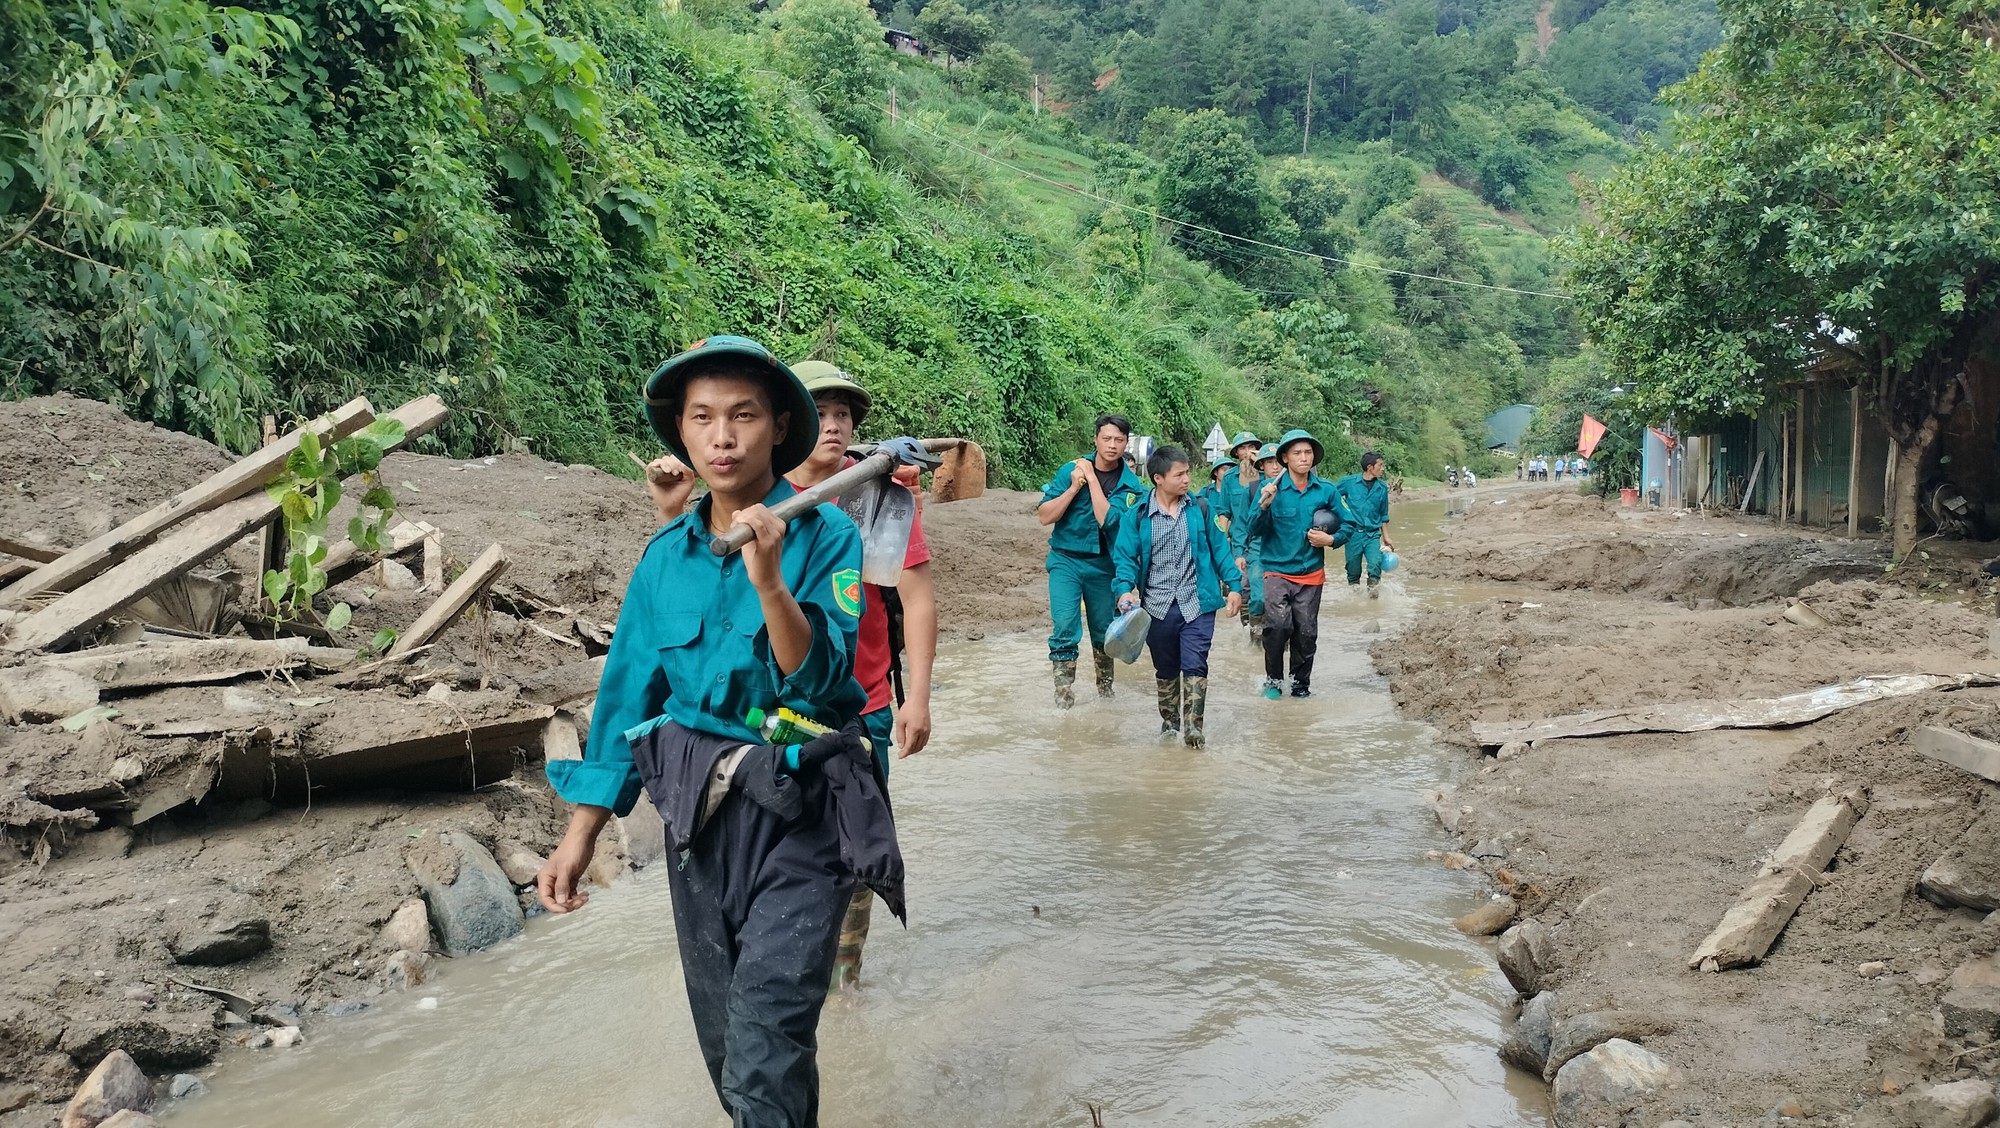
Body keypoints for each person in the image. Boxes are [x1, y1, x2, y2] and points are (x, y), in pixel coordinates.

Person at [538, 335, 899, 1128]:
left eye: (743, 415)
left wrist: (770, 582)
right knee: (727, 1048)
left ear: (778, 428)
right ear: (683, 433)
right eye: (702, 418)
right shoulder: (665, 556)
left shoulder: (827, 537)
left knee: (769, 1036)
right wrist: (581, 834)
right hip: (696, 817)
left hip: (804, 809)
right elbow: (628, 695)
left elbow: (824, 682)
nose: (723, 436)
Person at [785, 360, 936, 990]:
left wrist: (918, 698)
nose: (834, 424)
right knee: (780, 834)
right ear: (786, 420)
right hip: (775, 707)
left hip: (865, 702)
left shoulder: (882, 498)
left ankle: (845, 977)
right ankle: (788, 966)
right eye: (820, 412)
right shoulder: (759, 497)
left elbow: (918, 598)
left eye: (844, 413)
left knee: (858, 841)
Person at [1113, 446, 1243, 748]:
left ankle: (1194, 729)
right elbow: (1125, 559)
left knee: (1196, 663)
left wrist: (1234, 586)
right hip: (1156, 608)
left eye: (1188, 473)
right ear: (1158, 478)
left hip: (1197, 603)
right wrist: (1124, 590)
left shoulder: (1199, 509)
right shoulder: (1138, 516)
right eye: (1179, 474)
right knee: (1166, 668)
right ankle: (1170, 724)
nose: (1187, 479)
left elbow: (1219, 549)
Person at [1037, 415, 1145, 707]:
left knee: (1104, 633)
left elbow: (1111, 523)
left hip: (1104, 566)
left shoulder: (1132, 488)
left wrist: (1093, 480)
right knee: (1064, 626)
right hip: (1065, 561)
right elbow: (1046, 515)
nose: (1112, 445)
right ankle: (1063, 697)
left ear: (1126, 443)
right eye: (1106, 438)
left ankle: (1106, 695)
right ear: (1096, 439)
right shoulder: (1070, 471)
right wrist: (1074, 488)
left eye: (1119, 440)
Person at [1251, 429, 1343, 699]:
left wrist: (1331, 539)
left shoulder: (1326, 490)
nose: (1304, 458)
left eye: (1308, 452)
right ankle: (1274, 682)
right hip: (1276, 571)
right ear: (1284, 459)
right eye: (1297, 453)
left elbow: (1349, 524)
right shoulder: (1270, 490)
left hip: (1311, 574)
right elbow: (1254, 530)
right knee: (1277, 627)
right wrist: (1264, 505)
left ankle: (1301, 684)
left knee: (1306, 633)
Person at [1213, 431, 1261, 638]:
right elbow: (1224, 512)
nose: (1247, 451)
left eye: (1251, 446)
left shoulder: (1270, 471)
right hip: (1239, 542)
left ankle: (1269, 631)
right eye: (1243, 447)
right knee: (1242, 587)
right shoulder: (1230, 479)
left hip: (1265, 540)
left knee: (1266, 589)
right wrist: (1220, 542)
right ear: (1236, 452)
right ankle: (1250, 631)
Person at [1336, 450, 1398, 598]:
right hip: (1352, 534)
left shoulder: (1381, 488)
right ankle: (1355, 599)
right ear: (1370, 467)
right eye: (1380, 465)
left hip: (1372, 535)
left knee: (1375, 564)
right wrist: (1339, 515)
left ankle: (1373, 600)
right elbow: (1330, 495)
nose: (1383, 468)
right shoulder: (1349, 483)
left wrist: (1386, 537)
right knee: (1352, 568)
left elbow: (1383, 514)